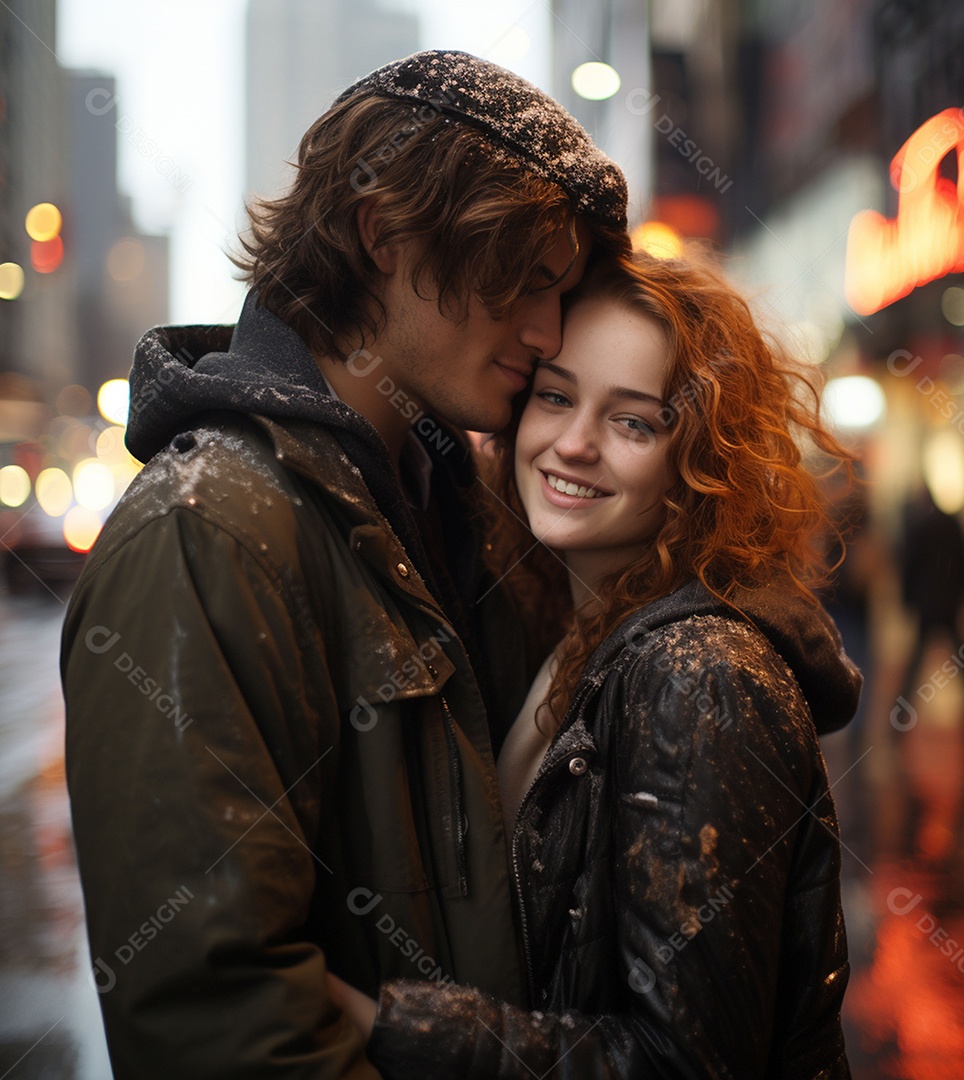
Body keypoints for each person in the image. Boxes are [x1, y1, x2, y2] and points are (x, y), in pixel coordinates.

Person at [59, 51, 628, 1078]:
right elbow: (225, 1026)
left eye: (562, 293)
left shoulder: (458, 506)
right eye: (522, 281)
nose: (547, 332)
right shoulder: (207, 532)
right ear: (383, 233)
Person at [329, 250, 863, 1078]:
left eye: (633, 422)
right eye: (555, 397)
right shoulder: (581, 632)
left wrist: (398, 1027)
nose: (573, 444)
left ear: (703, 463)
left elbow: (686, 1065)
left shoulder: (699, 674)